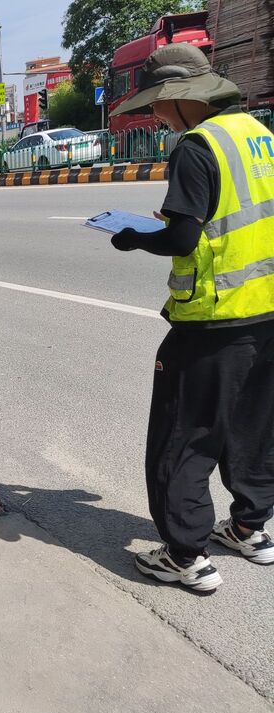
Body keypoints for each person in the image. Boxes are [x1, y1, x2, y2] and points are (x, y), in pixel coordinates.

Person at [109, 43, 274, 592]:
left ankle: (185, 557)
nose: (156, 113)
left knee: (184, 437)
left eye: (158, 103)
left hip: (213, 322)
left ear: (184, 98)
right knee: (254, 429)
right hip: (267, 312)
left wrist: (134, 238)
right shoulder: (259, 134)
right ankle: (250, 528)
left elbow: (182, 238)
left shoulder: (197, 147)